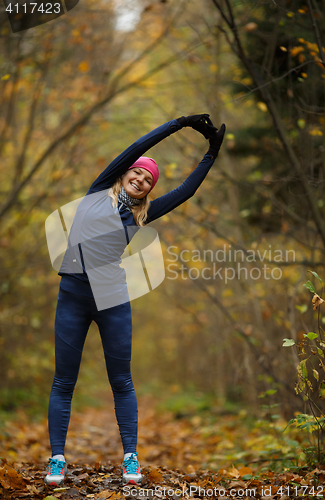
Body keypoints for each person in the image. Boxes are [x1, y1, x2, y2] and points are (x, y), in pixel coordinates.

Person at [44, 114, 226, 487]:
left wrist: (211, 152)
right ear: (126, 174)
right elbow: (137, 149)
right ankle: (57, 459)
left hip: (113, 300)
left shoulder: (140, 216)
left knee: (122, 381)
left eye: (148, 181)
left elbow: (187, 191)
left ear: (148, 190)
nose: (141, 180)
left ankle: (130, 458)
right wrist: (180, 123)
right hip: (73, 297)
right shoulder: (97, 191)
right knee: (64, 381)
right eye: (138, 174)